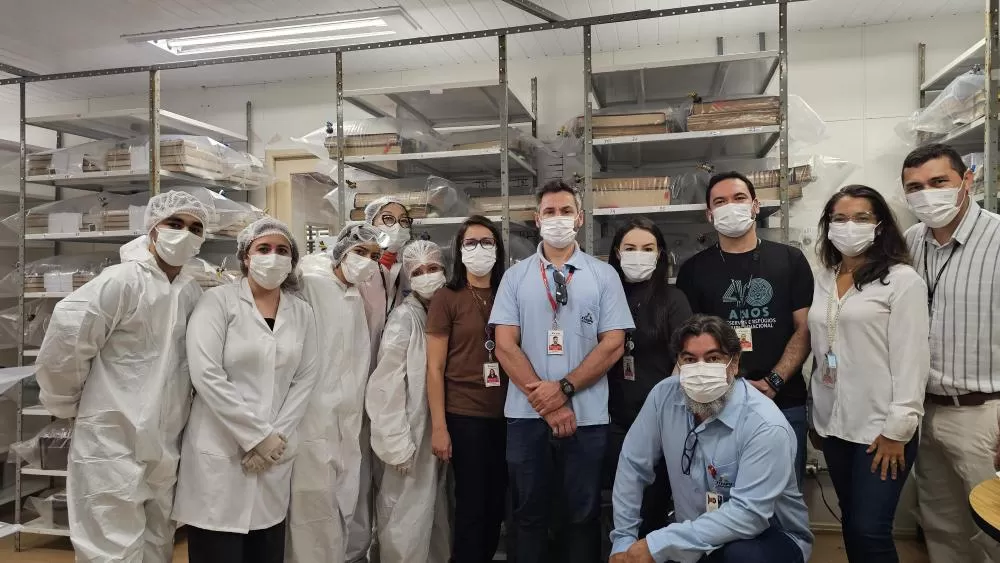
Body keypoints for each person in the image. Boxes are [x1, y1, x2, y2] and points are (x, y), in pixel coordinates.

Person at [34, 190, 210, 563]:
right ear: (152, 230)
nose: (185, 234)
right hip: (112, 439)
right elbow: (69, 335)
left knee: (157, 541)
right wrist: (65, 401)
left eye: (195, 228)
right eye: (174, 224)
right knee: (111, 547)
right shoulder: (123, 281)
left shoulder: (190, 290)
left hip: (165, 441)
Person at [490, 180, 634, 563]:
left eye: (565, 211)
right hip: (526, 417)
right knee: (528, 515)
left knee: (582, 516)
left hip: (587, 418)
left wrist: (565, 388)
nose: (558, 219)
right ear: (537, 220)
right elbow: (505, 344)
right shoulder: (515, 277)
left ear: (580, 218)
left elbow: (613, 344)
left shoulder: (604, 275)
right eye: (550, 212)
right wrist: (550, 403)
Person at [172, 218, 319, 563]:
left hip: (273, 458)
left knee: (265, 551)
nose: (273, 257)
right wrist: (255, 436)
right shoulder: (217, 303)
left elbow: (305, 379)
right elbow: (206, 374)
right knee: (216, 553)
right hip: (221, 454)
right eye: (263, 249)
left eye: (282, 251)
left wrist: (274, 440)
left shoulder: (302, 313)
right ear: (246, 257)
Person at [610, 315, 813, 563]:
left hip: (765, 536)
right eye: (689, 360)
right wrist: (623, 540)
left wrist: (659, 544)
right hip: (689, 530)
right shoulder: (664, 396)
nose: (700, 369)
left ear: (734, 362)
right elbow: (632, 465)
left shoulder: (765, 425)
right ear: (678, 363)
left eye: (713, 358)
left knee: (739, 557)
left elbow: (748, 516)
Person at [808, 185, 929, 563]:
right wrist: (816, 414)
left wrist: (898, 431)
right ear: (828, 226)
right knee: (852, 524)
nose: (849, 226)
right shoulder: (823, 277)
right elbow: (821, 348)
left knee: (870, 531)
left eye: (861, 218)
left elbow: (913, 360)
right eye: (840, 219)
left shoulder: (901, 280)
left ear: (880, 226)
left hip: (880, 430)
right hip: (834, 426)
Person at [675, 171, 813, 487]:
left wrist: (774, 381)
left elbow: (804, 329)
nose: (730, 207)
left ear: (755, 206)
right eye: (720, 202)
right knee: (721, 498)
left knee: (783, 499)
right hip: (718, 404)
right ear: (709, 214)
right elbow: (690, 342)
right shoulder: (694, 270)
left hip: (784, 401)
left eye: (739, 199)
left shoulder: (790, 260)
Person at [900, 143, 1000, 563]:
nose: (927, 194)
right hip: (928, 411)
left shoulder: (997, 238)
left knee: (992, 530)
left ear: (967, 181)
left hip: (985, 415)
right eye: (915, 187)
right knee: (942, 524)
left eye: (938, 182)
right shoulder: (911, 241)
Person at [288, 223, 384, 563]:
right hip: (312, 417)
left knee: (341, 502)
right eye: (360, 252)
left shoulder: (355, 294)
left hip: (346, 417)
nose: (368, 262)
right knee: (311, 509)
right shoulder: (313, 284)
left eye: (375, 256)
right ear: (341, 251)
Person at [426, 216, 509, 563]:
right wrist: (440, 427)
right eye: (471, 243)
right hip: (465, 415)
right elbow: (435, 367)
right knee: (472, 505)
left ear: (498, 249)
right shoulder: (447, 297)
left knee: (497, 504)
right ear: (459, 251)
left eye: (487, 242)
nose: (479, 249)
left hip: (508, 414)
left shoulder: (510, 290)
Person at [605, 217, 693, 541]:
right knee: (621, 506)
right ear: (617, 252)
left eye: (647, 248)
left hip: (659, 420)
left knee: (653, 507)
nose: (638, 254)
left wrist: (661, 411)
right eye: (630, 248)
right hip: (612, 419)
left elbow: (685, 358)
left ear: (659, 254)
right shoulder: (605, 293)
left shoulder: (673, 299)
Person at [366, 240, 451, 563]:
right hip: (410, 441)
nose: (428, 276)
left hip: (437, 437)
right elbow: (385, 386)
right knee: (404, 521)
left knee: (435, 518)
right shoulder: (404, 319)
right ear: (407, 277)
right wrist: (395, 442)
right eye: (419, 271)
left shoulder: (442, 313)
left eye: (434, 269)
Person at [353, 195, 411, 562]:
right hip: (352, 387)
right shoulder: (356, 269)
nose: (396, 227)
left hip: (391, 391)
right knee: (354, 486)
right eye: (387, 218)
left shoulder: (407, 269)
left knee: (390, 486)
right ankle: (355, 553)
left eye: (403, 221)